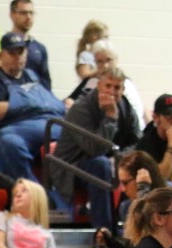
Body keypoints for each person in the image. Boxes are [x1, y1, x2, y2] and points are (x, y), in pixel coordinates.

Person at [48, 67, 141, 230]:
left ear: (123, 90)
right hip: (70, 166)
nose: (112, 92)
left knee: (139, 163)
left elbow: (137, 143)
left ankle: (133, 227)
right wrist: (110, 118)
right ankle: (103, 230)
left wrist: (120, 158)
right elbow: (94, 149)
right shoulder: (81, 108)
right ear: (99, 86)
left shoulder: (126, 108)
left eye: (117, 88)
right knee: (100, 164)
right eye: (108, 86)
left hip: (108, 160)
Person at [0, 32, 65, 183]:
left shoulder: (33, 76)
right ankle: (31, 190)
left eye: (21, 52)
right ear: (1, 56)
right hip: (12, 131)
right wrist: (26, 103)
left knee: (74, 136)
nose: (17, 57)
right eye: (12, 53)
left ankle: (62, 192)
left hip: (48, 124)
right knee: (12, 144)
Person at [135, 94, 172, 194]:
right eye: (169, 116)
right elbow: (161, 179)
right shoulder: (146, 144)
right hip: (157, 195)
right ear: (156, 117)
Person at [8, 0, 48, 91]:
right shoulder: (2, 46)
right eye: (23, 13)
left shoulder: (39, 48)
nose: (28, 17)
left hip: (34, 97)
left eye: (31, 13)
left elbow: (46, 83)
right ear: (12, 15)